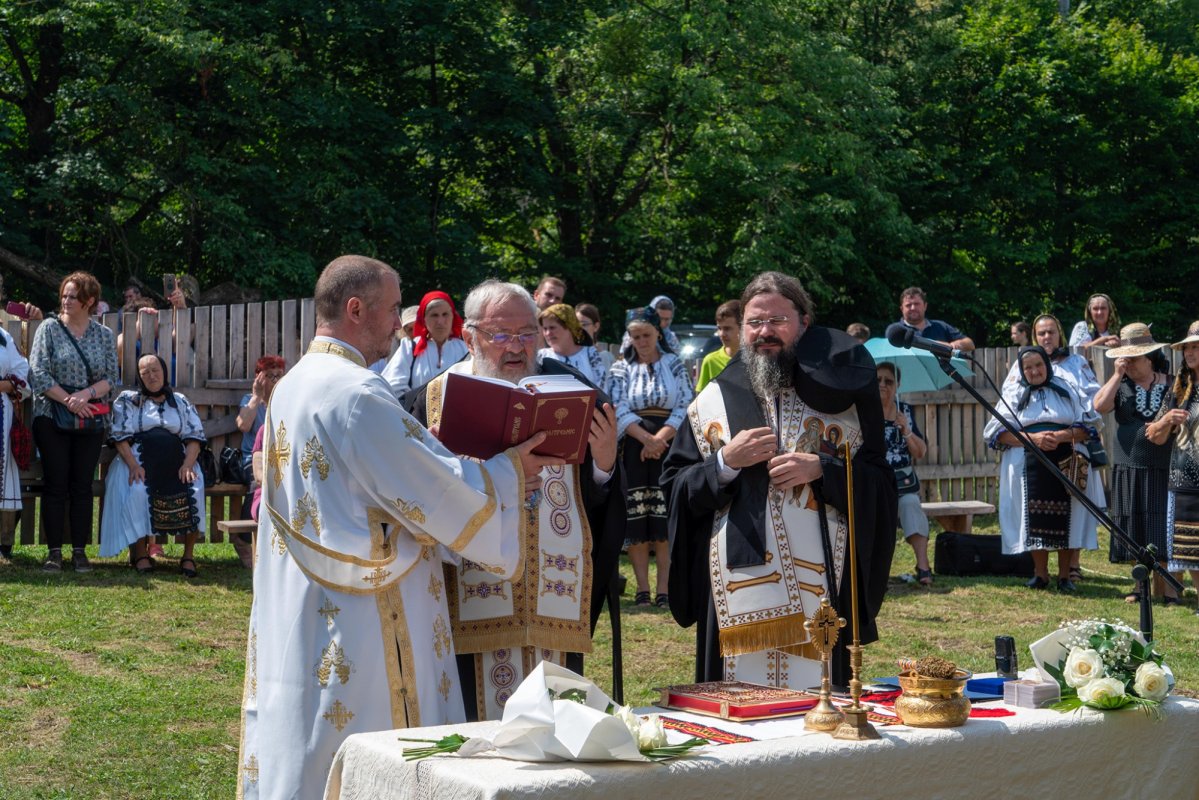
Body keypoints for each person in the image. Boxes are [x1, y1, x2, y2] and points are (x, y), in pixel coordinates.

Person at [238, 256, 556, 799]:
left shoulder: (294, 383)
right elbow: (439, 493)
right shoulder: (359, 393)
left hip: (301, 603)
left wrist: (425, 449)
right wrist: (508, 471)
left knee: (307, 743)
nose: (400, 324)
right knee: (376, 754)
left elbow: (361, 481)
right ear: (355, 309)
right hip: (366, 616)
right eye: (391, 310)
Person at [662, 271, 896, 690]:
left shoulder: (844, 400)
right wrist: (724, 463)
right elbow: (677, 487)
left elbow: (880, 483)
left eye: (777, 321)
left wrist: (825, 470)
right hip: (735, 590)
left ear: (804, 323)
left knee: (820, 713)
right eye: (754, 322)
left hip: (824, 581)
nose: (764, 332)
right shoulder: (712, 399)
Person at [406, 280, 626, 722]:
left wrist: (604, 463)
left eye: (527, 334)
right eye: (500, 335)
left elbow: (602, 495)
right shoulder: (429, 402)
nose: (516, 347)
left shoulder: (575, 392)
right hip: (467, 597)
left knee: (556, 735)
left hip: (552, 599)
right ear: (469, 337)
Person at [985, 346, 1102, 592]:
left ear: (1046, 365)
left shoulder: (1067, 388)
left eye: (1038, 365)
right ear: (1021, 370)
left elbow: (1090, 427)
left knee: (1068, 515)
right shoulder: (1014, 393)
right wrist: (1033, 440)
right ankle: (1040, 574)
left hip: (1066, 457)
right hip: (1027, 461)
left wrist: (1060, 436)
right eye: (1028, 367)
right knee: (1032, 518)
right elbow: (996, 433)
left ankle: (1064, 576)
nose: (1034, 371)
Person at [28, 271, 118, 573]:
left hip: (90, 419)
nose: (65, 301)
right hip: (52, 415)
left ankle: (80, 551)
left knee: (82, 485)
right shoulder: (49, 330)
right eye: (64, 295)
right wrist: (69, 401)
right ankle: (54, 551)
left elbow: (111, 378)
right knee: (55, 483)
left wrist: (85, 396)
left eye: (72, 296)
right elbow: (38, 374)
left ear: (89, 301)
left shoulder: (103, 335)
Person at [609, 306, 693, 608]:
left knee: (664, 515)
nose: (641, 341)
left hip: (669, 445)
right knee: (638, 517)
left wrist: (659, 439)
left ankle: (664, 589)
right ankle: (642, 588)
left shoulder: (674, 364)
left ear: (658, 333)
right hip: (634, 445)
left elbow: (686, 401)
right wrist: (645, 439)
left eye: (646, 335)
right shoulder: (620, 368)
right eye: (635, 337)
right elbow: (616, 406)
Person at [99, 355, 207, 576]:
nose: (151, 375)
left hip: (177, 461)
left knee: (194, 489)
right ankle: (140, 554)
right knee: (137, 491)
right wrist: (133, 465)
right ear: (139, 376)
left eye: (155, 370)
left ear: (165, 372)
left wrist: (188, 464)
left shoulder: (180, 401)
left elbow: (195, 436)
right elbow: (119, 436)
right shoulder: (128, 400)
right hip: (138, 461)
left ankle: (188, 556)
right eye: (145, 372)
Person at [1095, 323, 1175, 603]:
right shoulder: (1121, 385)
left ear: (1149, 357)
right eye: (1123, 358)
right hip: (1128, 465)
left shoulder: (1171, 383)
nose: (1127, 362)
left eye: (1133, 358)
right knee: (1133, 523)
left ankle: (1166, 588)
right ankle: (1140, 587)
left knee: (1160, 522)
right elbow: (1099, 406)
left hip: (1163, 465)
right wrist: (1117, 375)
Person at [1147, 321, 1199, 613]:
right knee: (1184, 543)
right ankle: (1180, 595)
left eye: (1195, 347)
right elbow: (1153, 436)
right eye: (1187, 347)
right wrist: (1167, 420)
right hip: (1182, 477)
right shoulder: (1179, 391)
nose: (1190, 352)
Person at [876, 362, 932, 585]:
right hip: (875, 481)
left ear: (897, 385)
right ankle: (878, 571)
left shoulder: (905, 411)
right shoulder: (863, 411)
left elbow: (920, 452)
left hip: (902, 481)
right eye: (878, 380)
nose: (882, 385)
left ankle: (923, 565)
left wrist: (906, 430)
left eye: (888, 381)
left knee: (910, 503)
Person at [381, 290, 469, 395]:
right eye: (434, 315)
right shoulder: (410, 347)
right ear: (424, 319)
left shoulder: (465, 349)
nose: (440, 321)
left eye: (445, 314)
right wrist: (418, 406)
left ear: (452, 317)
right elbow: (393, 385)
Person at [0, 318, 31, 563]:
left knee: (3, 479)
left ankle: (3, 543)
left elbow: (22, 372)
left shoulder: (3, 337)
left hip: (1, 415)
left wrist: (5, 384)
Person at [537, 302, 608, 386]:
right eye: (545, 329)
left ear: (569, 327)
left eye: (552, 328)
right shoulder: (541, 356)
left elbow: (602, 389)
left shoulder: (590, 354)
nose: (548, 333)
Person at [896, 286, 975, 351]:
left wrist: (953, 345)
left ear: (925, 306)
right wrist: (941, 346)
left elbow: (970, 344)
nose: (913, 308)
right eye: (908, 305)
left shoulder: (941, 326)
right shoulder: (896, 331)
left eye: (917, 304)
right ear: (901, 309)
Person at [696, 300, 741, 393]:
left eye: (727, 328)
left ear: (742, 328)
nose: (722, 334)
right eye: (719, 328)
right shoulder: (710, 360)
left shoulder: (755, 359)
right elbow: (701, 400)